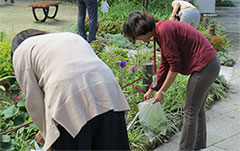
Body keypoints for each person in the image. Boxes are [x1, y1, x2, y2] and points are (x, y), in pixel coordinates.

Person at [11, 29, 131, 151]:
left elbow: (34, 103)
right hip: (109, 93)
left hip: (69, 103)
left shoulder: (21, 52)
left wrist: (48, 136)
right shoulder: (70, 36)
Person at [123, 11, 220, 151]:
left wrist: (162, 91)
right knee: (196, 110)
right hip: (210, 64)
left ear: (141, 30)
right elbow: (165, 63)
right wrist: (152, 89)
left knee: (190, 111)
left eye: (136, 37)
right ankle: (197, 147)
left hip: (205, 66)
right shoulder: (161, 29)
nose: (138, 40)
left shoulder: (164, 31)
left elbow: (175, 66)